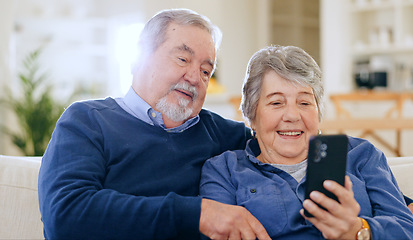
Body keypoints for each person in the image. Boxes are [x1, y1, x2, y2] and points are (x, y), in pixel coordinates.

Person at [38, 8, 271, 240]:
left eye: (205, 71)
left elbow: (292, 157)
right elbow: (65, 215)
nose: (194, 78)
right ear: (139, 58)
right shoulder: (87, 121)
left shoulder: (227, 137)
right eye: (182, 59)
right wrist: (197, 214)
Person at [199, 45, 413, 239]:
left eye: (305, 103)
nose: (292, 115)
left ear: (318, 113)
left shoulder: (361, 155)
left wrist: (357, 230)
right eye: (276, 103)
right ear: (251, 116)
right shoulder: (224, 171)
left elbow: (411, 231)